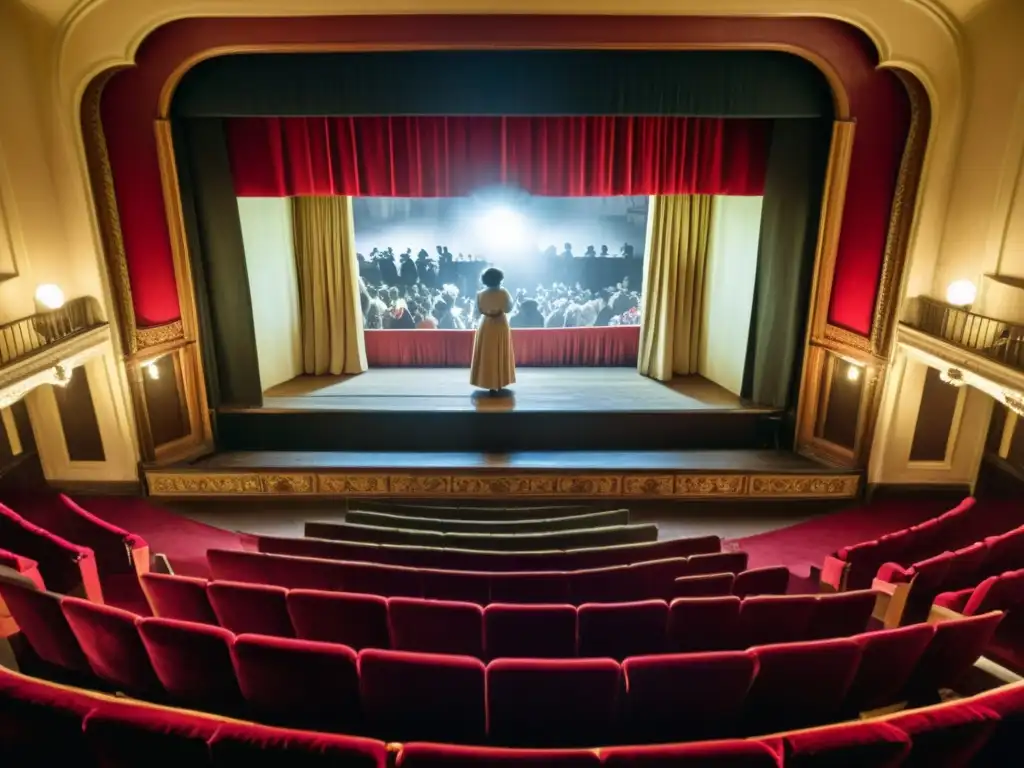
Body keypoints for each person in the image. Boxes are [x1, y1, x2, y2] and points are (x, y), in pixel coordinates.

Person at [470, 267, 516, 392]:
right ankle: (501, 380)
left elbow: (476, 312)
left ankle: (488, 381)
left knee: (487, 354)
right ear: (500, 279)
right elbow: (508, 309)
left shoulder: (480, 294)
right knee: (500, 352)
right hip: (500, 323)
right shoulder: (504, 292)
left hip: (486, 324)